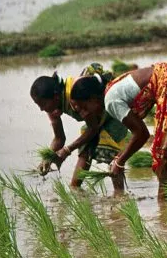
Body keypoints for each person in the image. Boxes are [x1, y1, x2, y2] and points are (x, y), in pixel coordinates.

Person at [69, 62, 167, 196]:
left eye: (84, 107)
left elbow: (141, 134)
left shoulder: (111, 101)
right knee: (164, 154)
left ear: (93, 99)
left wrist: (119, 161)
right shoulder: (111, 88)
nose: (84, 114)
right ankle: (163, 203)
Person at [30, 63, 129, 191]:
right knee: (85, 149)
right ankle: (75, 189)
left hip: (112, 112)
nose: (41, 109)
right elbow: (59, 138)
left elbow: (93, 129)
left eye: (43, 104)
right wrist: (47, 158)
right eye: (38, 105)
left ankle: (119, 195)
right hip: (96, 118)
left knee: (114, 159)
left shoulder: (75, 97)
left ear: (55, 97)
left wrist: (67, 150)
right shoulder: (52, 108)